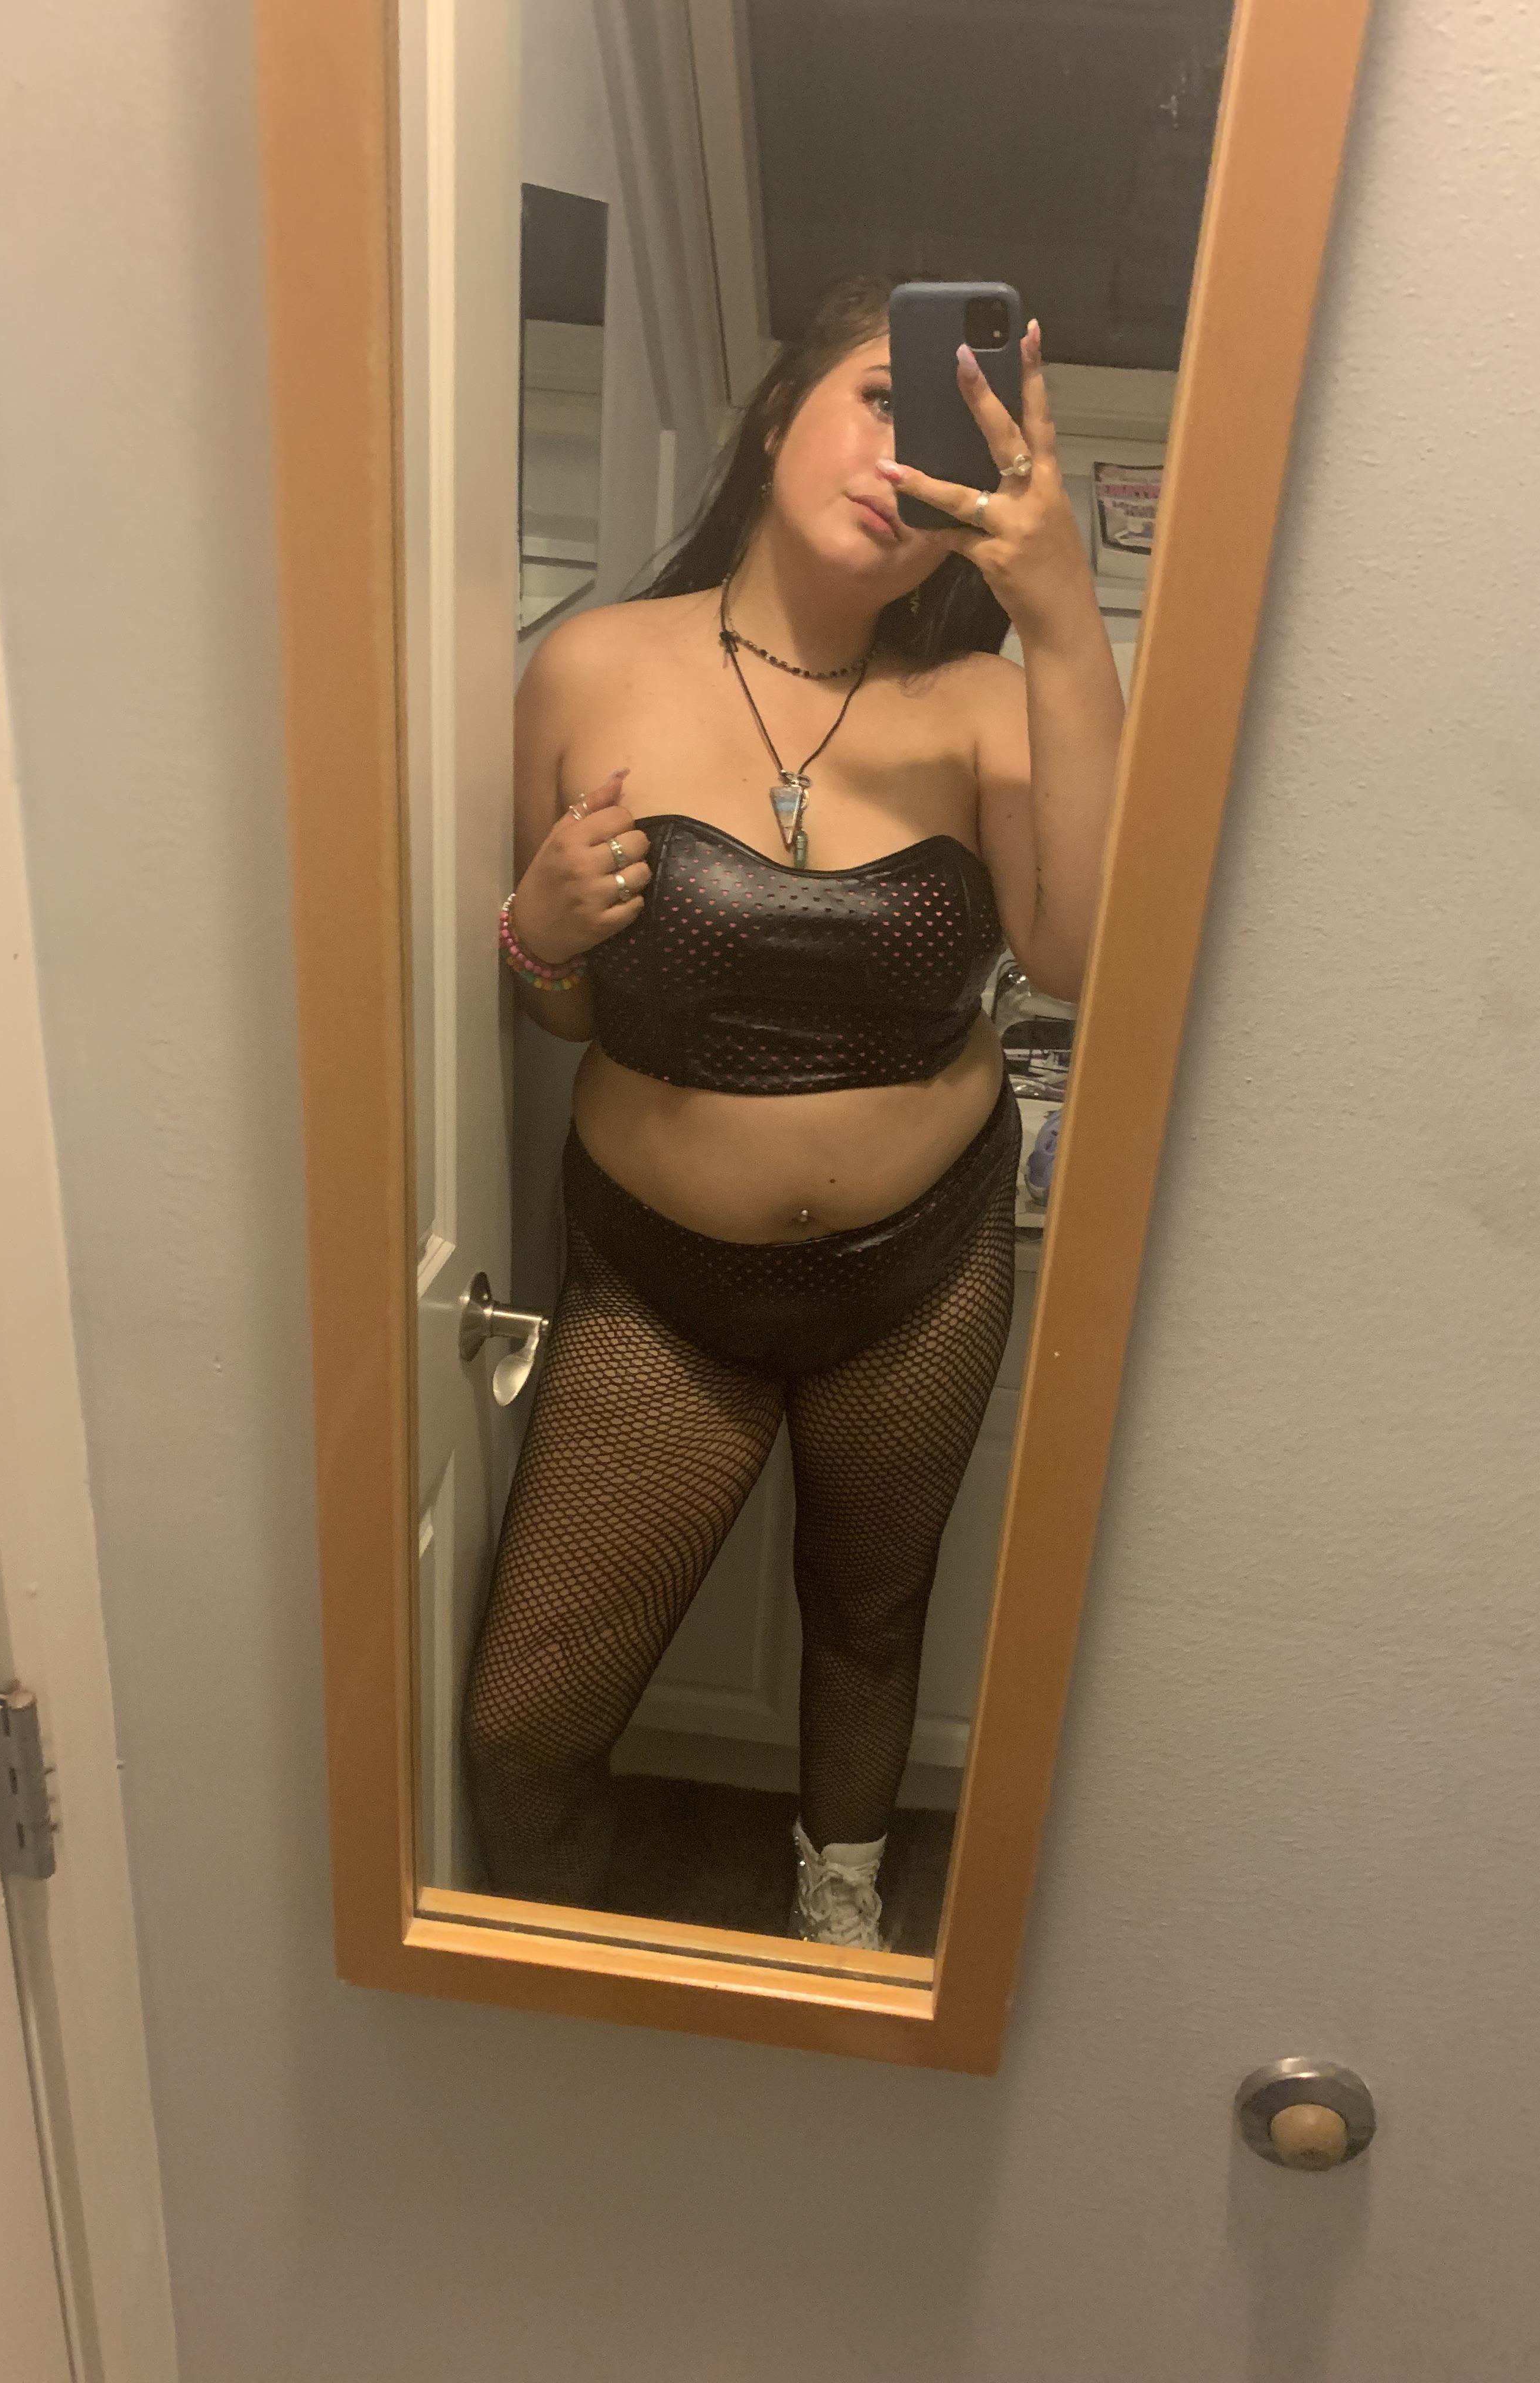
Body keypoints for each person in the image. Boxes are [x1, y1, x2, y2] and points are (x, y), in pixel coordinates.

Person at [462, 272, 1123, 1948]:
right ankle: (556, 2000)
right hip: (657, 1287)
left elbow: (1078, 952)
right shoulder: (590, 667)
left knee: (871, 1621)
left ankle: (841, 1911)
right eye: (884, 400)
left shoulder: (982, 708)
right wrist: (539, 929)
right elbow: (556, 1009)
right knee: (528, 1720)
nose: (906, 463)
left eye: (954, 439)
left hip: (921, 1270)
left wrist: (1060, 617)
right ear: (776, 418)